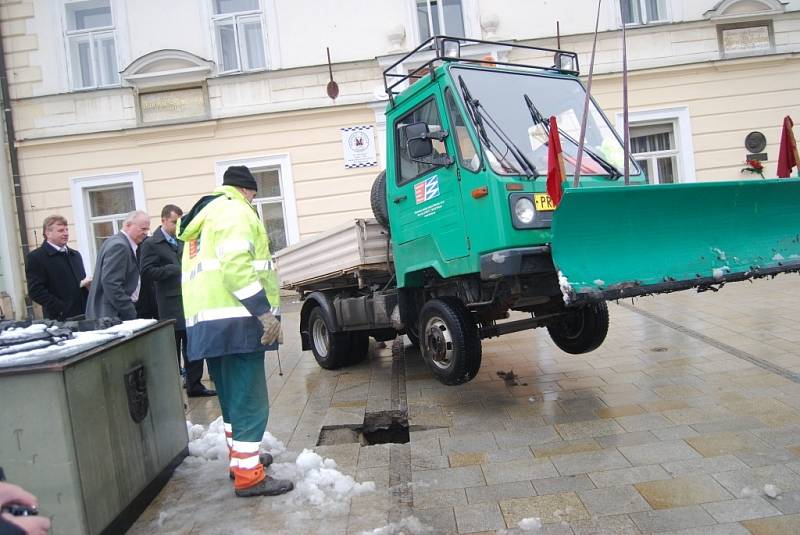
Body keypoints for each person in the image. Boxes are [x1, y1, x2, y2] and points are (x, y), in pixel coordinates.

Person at [178, 165, 292, 498]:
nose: (253, 201)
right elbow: (236, 266)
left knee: (230, 397)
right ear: (247, 190)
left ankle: (241, 461)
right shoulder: (235, 211)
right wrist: (263, 313)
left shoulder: (205, 218)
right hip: (239, 321)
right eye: (254, 195)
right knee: (250, 400)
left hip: (211, 324)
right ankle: (250, 477)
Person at [140, 205, 216, 397]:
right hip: (169, 305)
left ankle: (194, 385)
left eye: (179, 221)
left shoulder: (183, 239)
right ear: (164, 220)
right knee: (172, 350)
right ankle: (171, 391)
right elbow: (147, 272)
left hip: (190, 301)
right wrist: (172, 270)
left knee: (193, 347)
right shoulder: (151, 244)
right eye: (174, 222)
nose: (177, 225)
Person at [86, 211, 150, 321]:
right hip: (111, 315)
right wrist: (130, 311)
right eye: (143, 229)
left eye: (147, 229)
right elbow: (111, 284)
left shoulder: (117, 242)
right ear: (128, 225)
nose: (146, 233)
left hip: (111, 313)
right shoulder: (120, 246)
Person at [25, 216, 90, 321]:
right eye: (60, 230)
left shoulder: (75, 255)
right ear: (48, 233)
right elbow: (35, 291)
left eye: (66, 229)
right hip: (59, 320)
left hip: (85, 315)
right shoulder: (36, 257)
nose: (66, 233)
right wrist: (60, 308)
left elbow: (80, 284)